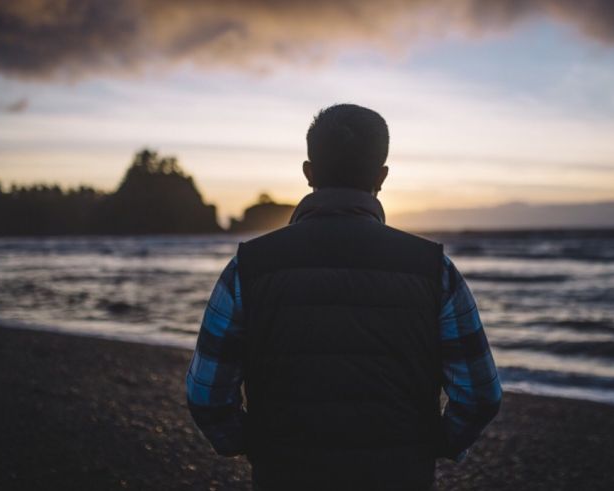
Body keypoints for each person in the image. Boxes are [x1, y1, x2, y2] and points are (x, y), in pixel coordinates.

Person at [186, 104, 502, 490]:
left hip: (285, 474)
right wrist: (432, 445)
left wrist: (249, 444)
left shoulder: (250, 266)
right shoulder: (434, 268)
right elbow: (481, 394)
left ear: (309, 173)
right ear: (382, 177)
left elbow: (206, 395)